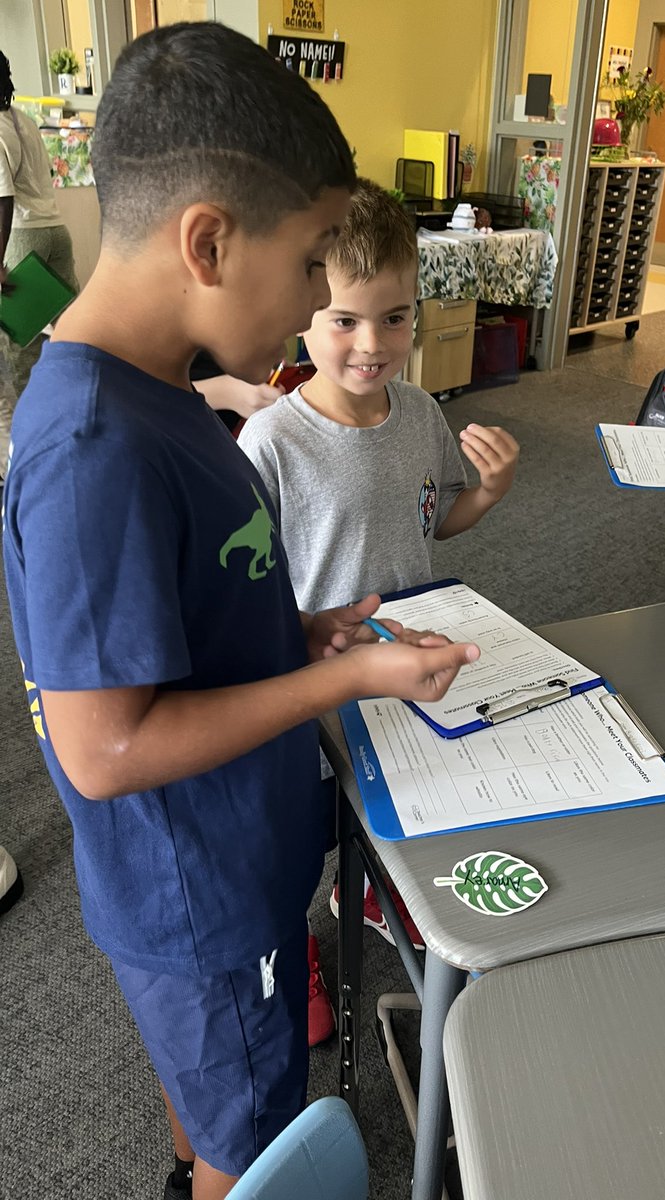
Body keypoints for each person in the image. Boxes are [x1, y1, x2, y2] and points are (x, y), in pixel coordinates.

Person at [1, 24, 479, 1200]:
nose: (326, 298)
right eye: (314, 261)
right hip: (199, 898)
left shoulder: (165, 388)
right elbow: (104, 750)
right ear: (208, 242)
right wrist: (341, 680)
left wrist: (297, 635)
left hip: (238, 854)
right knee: (249, 1134)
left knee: (216, 1098)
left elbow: (187, 616)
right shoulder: (90, 450)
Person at [238, 179, 519, 1032]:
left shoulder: (422, 414)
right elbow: (242, 592)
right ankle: (297, 945)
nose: (372, 344)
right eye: (346, 321)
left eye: (394, 317)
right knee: (298, 830)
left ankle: (368, 893)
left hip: (412, 662)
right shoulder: (272, 442)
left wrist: (492, 490)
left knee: (408, 797)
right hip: (314, 677)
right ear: (304, 317)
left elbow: (440, 516)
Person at [0, 50, 78, 466]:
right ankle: (76, 407)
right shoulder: (24, 119)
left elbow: (3, 197)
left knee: (19, 347)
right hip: (55, 230)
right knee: (75, 326)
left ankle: (32, 442)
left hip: (22, 238)